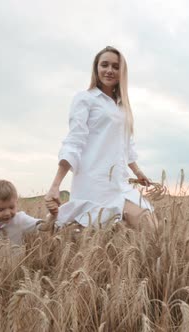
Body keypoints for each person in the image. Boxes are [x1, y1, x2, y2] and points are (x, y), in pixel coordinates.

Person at [45, 46, 157, 232]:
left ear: (122, 72)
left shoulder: (123, 107)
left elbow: (126, 145)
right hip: (94, 183)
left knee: (150, 226)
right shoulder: (85, 99)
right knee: (94, 236)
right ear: (96, 68)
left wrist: (137, 172)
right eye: (104, 65)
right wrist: (55, 185)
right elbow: (74, 141)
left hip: (119, 183)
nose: (109, 70)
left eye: (115, 66)